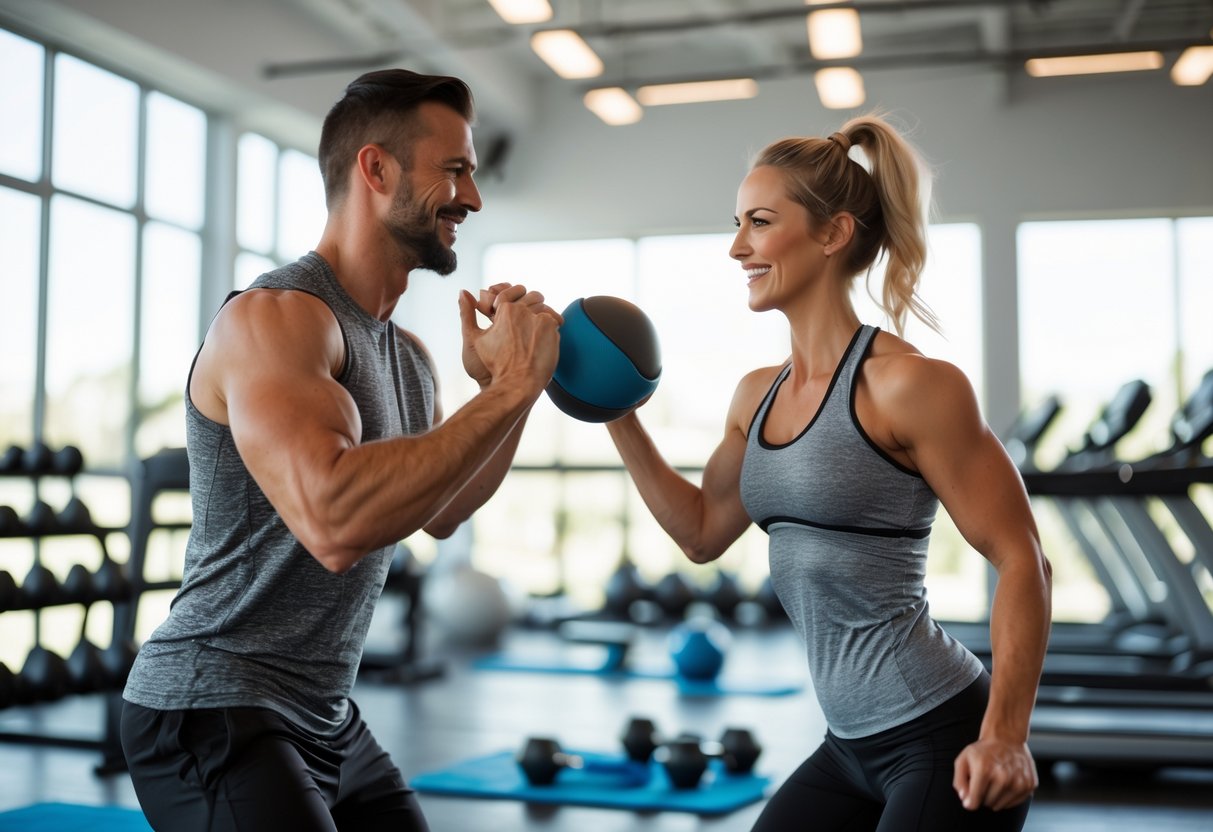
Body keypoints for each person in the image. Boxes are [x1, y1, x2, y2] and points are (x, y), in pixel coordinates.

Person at [120, 69, 561, 831]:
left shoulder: (409, 357)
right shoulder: (277, 319)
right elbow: (332, 522)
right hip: (212, 701)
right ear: (376, 168)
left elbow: (444, 510)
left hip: (323, 714)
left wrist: (513, 394)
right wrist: (506, 389)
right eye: (454, 170)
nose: (473, 199)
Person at [605, 114, 1052, 831]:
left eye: (758, 222)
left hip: (942, 736)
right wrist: (614, 410)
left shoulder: (909, 386)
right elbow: (700, 532)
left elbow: (1021, 558)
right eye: (735, 223)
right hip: (847, 747)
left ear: (832, 233)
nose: (735, 247)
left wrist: (1004, 734)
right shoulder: (756, 395)